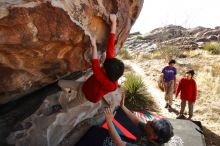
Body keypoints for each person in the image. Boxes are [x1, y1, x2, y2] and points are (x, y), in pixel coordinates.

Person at [56, 14, 124, 110]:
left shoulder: (111, 85)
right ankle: (69, 93)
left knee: (69, 106)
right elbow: (111, 45)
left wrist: (94, 46)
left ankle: (62, 108)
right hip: (84, 85)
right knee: (60, 83)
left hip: (86, 96)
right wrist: (114, 22)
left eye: (104, 69)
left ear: (108, 73)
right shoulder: (111, 66)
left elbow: (96, 67)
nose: (103, 67)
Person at [104, 93, 174, 146]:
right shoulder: (151, 132)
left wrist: (109, 122)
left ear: (154, 136)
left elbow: (119, 143)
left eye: (151, 124)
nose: (148, 121)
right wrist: (123, 106)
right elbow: (136, 120)